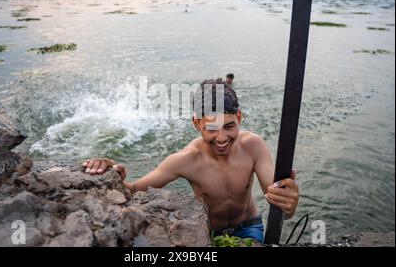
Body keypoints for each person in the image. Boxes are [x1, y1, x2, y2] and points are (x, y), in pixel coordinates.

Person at [82, 79, 299, 243]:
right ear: (196, 123)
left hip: (249, 226)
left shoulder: (254, 147)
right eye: (211, 128)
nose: (222, 138)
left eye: (229, 126)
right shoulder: (186, 160)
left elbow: (279, 200)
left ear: (239, 117)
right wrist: (113, 173)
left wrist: (289, 202)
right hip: (206, 231)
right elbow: (131, 190)